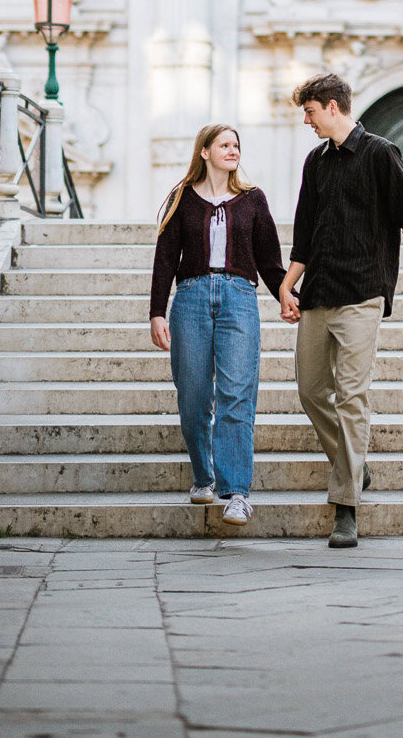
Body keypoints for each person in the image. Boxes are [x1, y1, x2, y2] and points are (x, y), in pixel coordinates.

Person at [280, 72, 403, 549]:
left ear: (333, 107)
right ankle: (355, 465)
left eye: (310, 112)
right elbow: (305, 232)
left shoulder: (379, 153)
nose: (307, 122)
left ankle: (346, 507)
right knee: (312, 392)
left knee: (351, 395)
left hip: (362, 294)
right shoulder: (315, 162)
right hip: (318, 293)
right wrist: (287, 286)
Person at [148, 123, 285, 527]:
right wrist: (157, 311)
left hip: (239, 300)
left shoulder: (253, 200)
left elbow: (270, 260)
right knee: (192, 397)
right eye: (224, 144)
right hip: (189, 299)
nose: (233, 150)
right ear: (204, 151)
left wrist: (288, 297)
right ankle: (203, 475)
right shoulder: (182, 199)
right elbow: (164, 259)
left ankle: (237, 492)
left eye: (237, 145)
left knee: (236, 395)